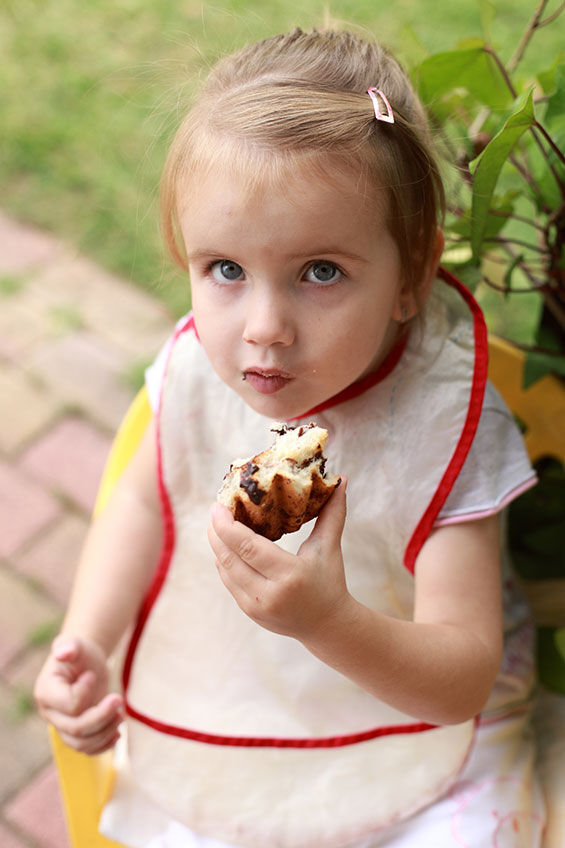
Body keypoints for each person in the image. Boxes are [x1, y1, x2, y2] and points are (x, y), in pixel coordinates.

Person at [34, 27, 545, 848]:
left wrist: (328, 621)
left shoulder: (446, 416)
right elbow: (141, 497)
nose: (263, 331)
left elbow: (459, 678)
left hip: (412, 707)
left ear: (411, 276)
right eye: (226, 270)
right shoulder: (199, 372)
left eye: (320, 272)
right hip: (235, 687)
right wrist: (88, 637)